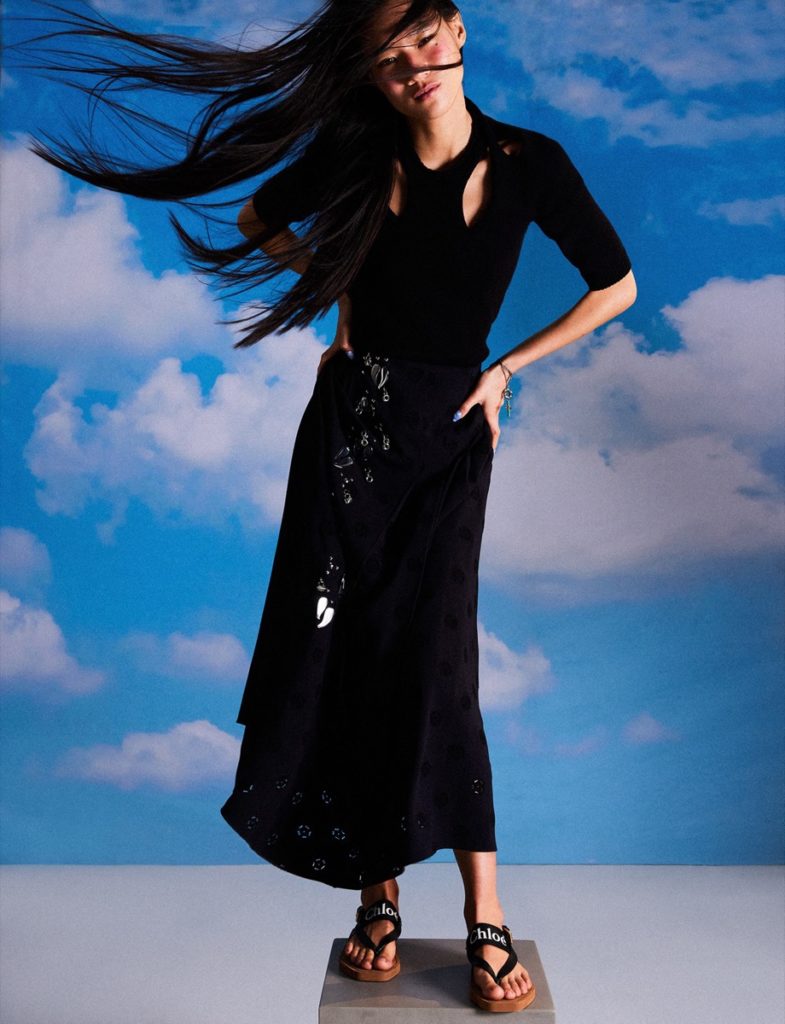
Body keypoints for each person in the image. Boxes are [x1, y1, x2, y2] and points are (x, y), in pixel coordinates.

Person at [24, 0, 635, 1012]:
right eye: (388, 60)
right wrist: (338, 288)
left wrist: (506, 370)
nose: (413, 67)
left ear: (458, 31)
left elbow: (614, 286)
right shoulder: (359, 156)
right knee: (352, 657)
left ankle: (484, 914)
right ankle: (376, 898)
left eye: (423, 40)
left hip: (451, 436)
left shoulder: (530, 161)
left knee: (440, 663)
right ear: (371, 77)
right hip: (351, 435)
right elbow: (259, 220)